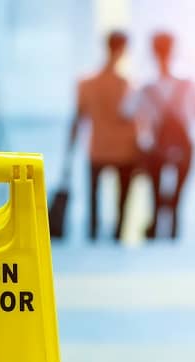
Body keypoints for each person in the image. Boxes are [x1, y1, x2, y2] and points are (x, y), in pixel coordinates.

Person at [128, 32, 195, 240]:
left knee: (154, 195)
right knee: (177, 200)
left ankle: (154, 234)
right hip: (184, 147)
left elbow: (126, 112)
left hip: (156, 147)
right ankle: (173, 237)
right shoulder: (189, 84)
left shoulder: (145, 87)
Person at [68, 31, 139, 242]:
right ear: (124, 50)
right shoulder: (128, 85)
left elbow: (77, 118)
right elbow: (135, 120)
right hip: (125, 149)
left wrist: (68, 153)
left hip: (97, 148)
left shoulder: (86, 83)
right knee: (122, 201)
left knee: (93, 199)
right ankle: (117, 235)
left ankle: (93, 235)